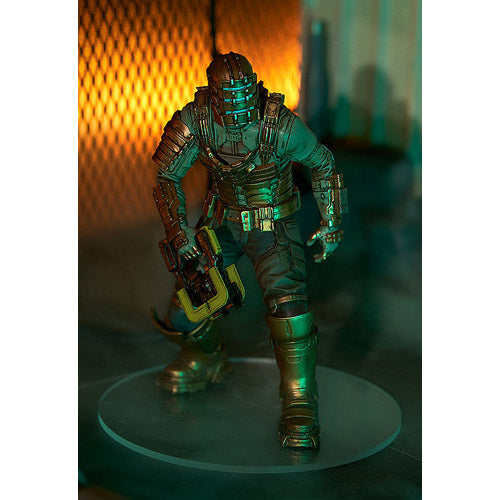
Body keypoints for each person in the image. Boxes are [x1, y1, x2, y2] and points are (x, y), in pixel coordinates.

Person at [151, 52, 347, 449]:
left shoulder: (281, 126)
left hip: (272, 226)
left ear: (253, 90)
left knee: (290, 309)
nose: (238, 114)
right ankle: (205, 358)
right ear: (213, 97)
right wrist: (178, 228)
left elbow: (323, 163)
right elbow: (167, 175)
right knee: (186, 306)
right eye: (228, 100)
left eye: (243, 99)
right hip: (221, 223)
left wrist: (331, 222)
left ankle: (300, 399)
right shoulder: (195, 120)